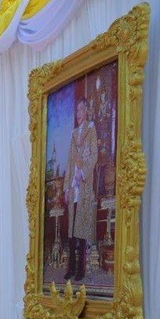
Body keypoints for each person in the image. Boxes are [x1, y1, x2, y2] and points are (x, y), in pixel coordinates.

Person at [64, 98, 99, 282]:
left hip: (84, 185)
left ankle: (81, 270)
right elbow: (70, 162)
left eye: (81, 109)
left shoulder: (91, 130)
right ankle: (70, 267)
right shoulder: (73, 134)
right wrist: (66, 188)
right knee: (71, 230)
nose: (78, 113)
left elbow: (94, 155)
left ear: (86, 111)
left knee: (82, 228)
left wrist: (83, 173)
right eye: (76, 110)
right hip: (74, 187)